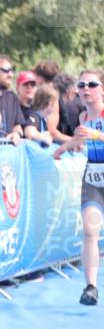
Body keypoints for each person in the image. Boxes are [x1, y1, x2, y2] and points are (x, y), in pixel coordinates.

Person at [53, 69, 104, 306]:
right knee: (90, 230)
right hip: (93, 177)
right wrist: (64, 148)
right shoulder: (83, 117)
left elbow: (93, 136)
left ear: (102, 89)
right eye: (81, 85)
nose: (85, 89)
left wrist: (97, 135)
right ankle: (91, 287)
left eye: (91, 84)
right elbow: (80, 139)